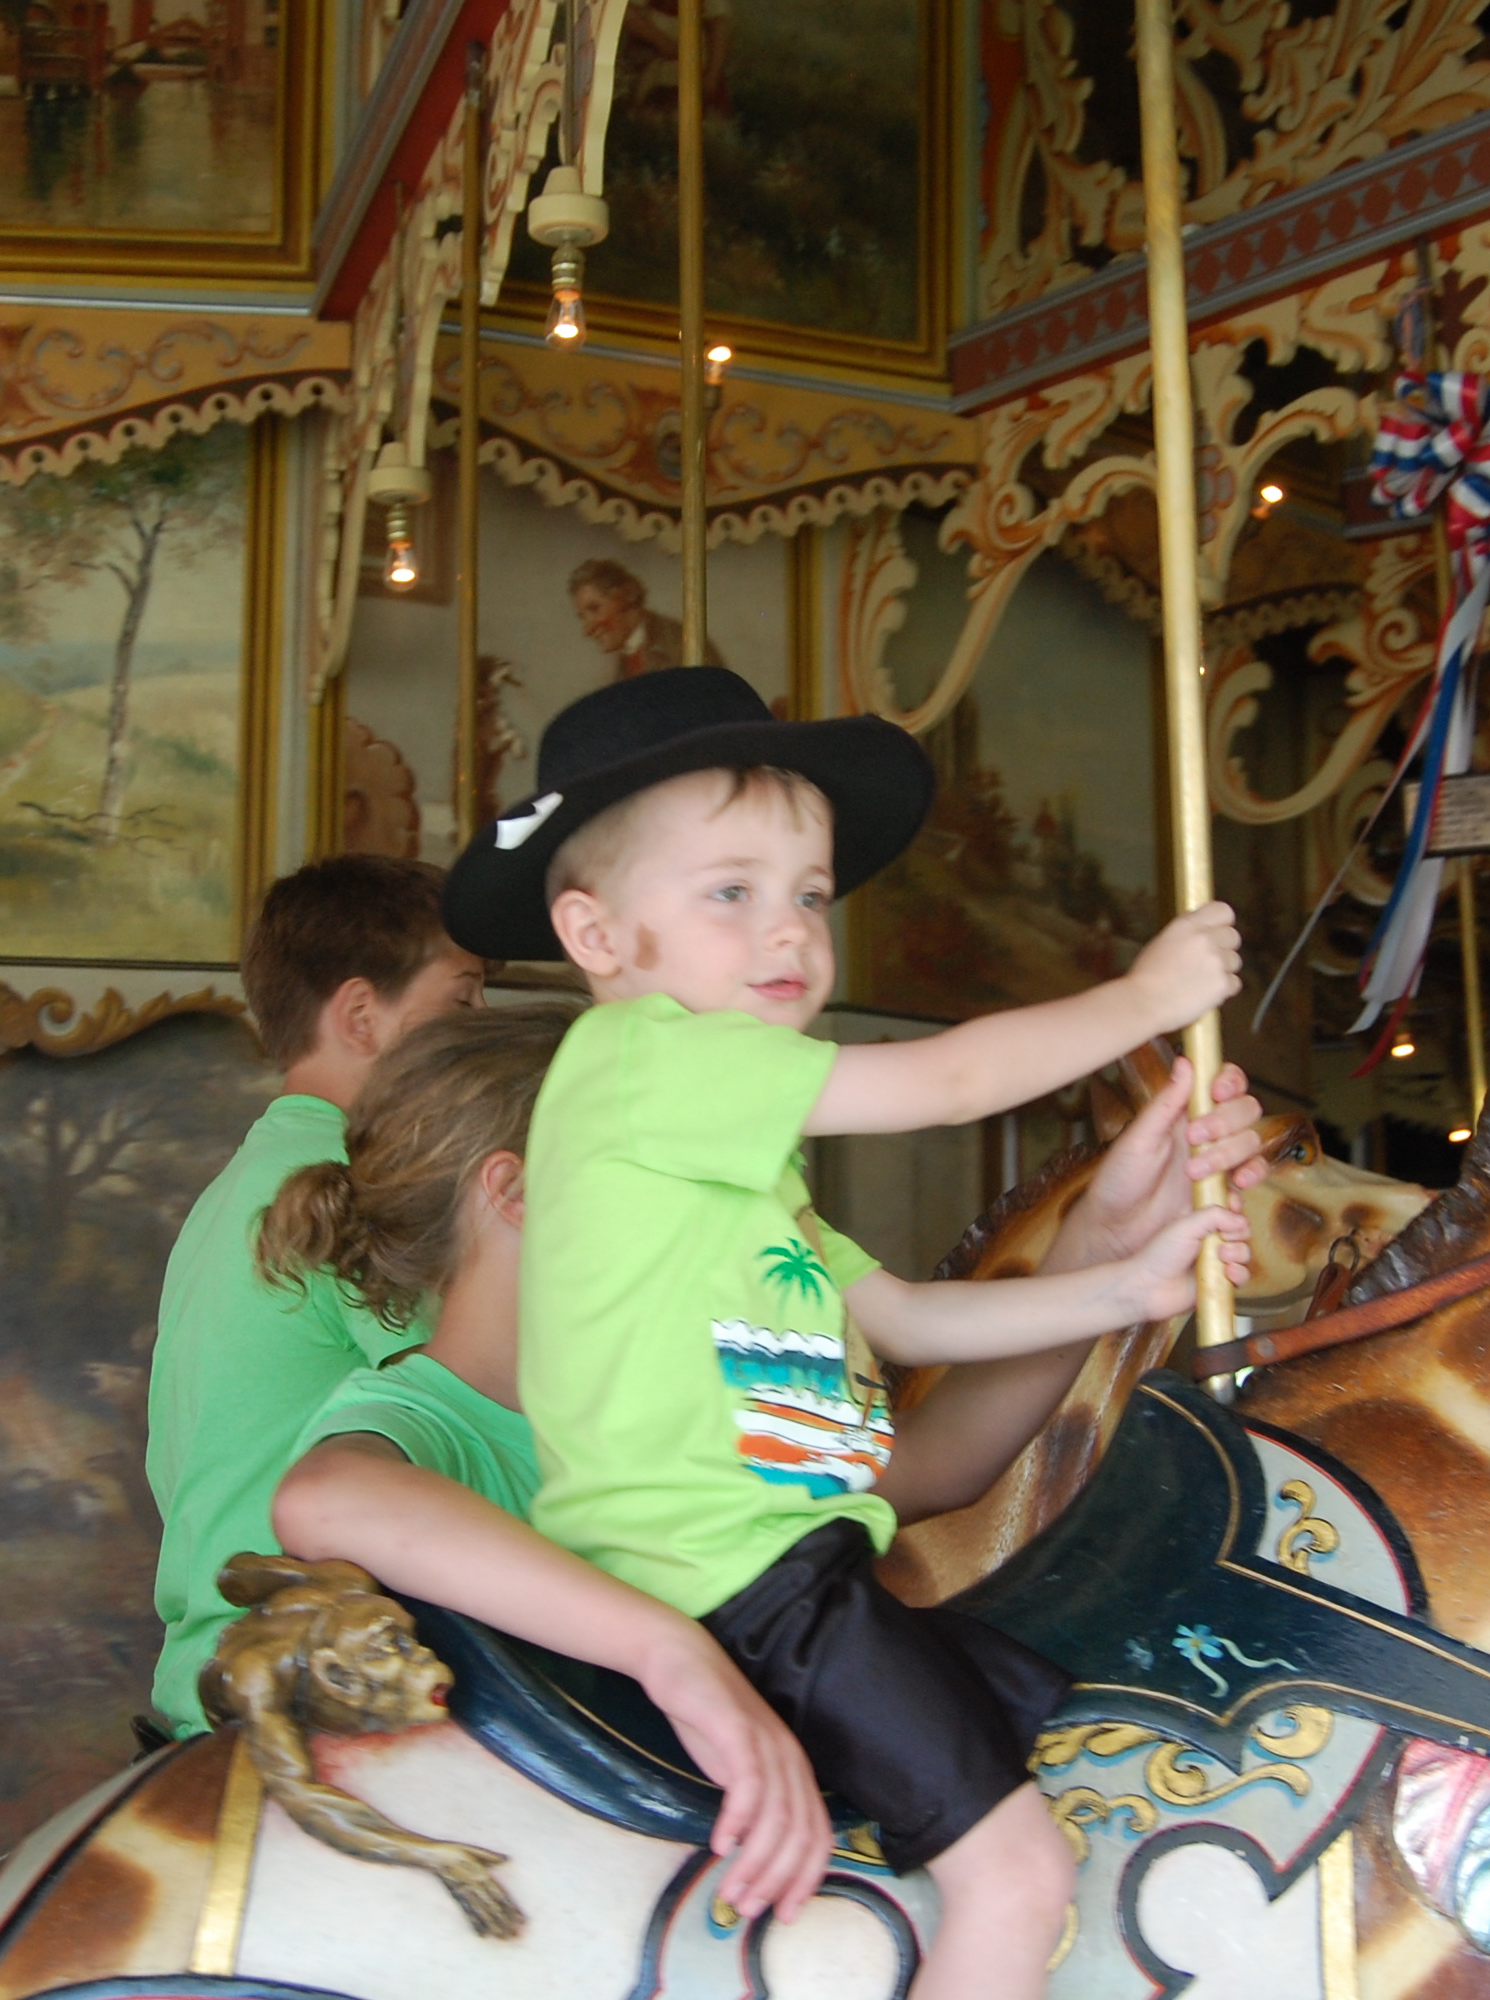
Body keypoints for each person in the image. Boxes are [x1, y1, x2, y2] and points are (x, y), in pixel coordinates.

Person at [440, 666, 1251, 1997]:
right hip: (738, 1582)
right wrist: (1146, 999)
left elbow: (916, 1320)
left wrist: (1128, 1286)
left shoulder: (729, 1182)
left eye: (810, 895)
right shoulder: (643, 1062)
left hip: (790, 1568)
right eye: (731, 891)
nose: (790, 932)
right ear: (596, 934)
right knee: (1024, 1875)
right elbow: (952, 1081)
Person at [259, 1002, 1268, 1927]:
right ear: (518, 1190)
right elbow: (326, 1495)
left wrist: (1102, 1239)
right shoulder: (431, 1419)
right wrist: (668, 1647)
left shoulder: (690, 1403)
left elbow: (928, 1460)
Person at [142, 855, 486, 1735]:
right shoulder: (346, 1189)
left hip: (217, 1654)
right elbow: (496, 1401)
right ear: (363, 1015)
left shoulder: (240, 1186)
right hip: (312, 1660)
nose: (480, 1027)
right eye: (464, 998)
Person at [567, 558, 724, 679]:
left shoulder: (679, 645)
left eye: (594, 609)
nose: (587, 630)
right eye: (582, 617)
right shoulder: (626, 658)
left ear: (625, 595)